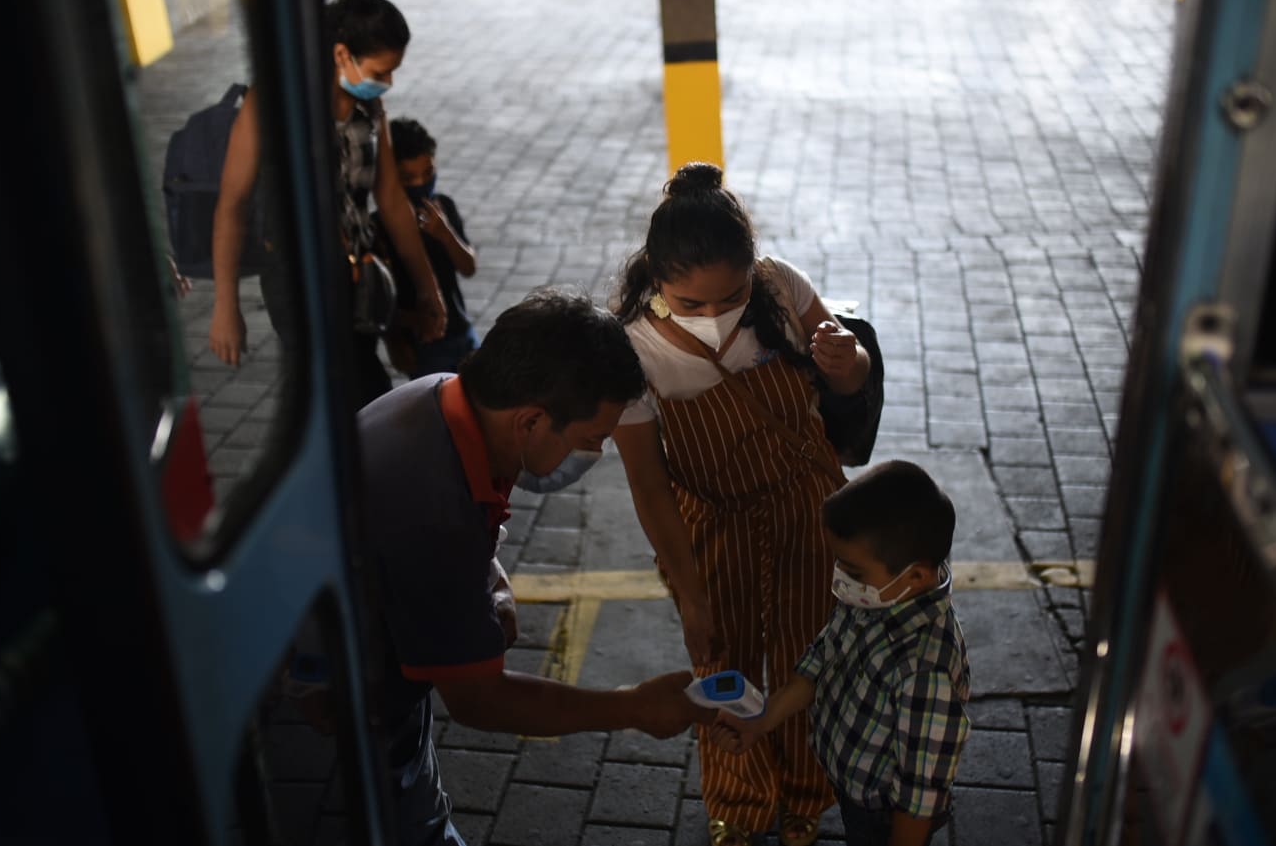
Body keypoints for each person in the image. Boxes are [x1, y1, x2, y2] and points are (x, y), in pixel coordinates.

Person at [358, 288, 707, 846]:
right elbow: (479, 700)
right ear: (531, 422)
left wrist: (489, 576)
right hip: (355, 696)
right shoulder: (431, 506)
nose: (596, 453)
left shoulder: (444, 398)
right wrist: (632, 708)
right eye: (592, 439)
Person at [610, 162, 872, 846]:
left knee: (805, 656)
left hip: (806, 507)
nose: (713, 316)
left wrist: (848, 362)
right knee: (723, 664)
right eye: (689, 304)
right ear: (656, 278)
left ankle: (805, 796)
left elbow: (850, 373)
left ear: (754, 270)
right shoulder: (630, 346)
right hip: (708, 523)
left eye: (729, 296)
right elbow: (649, 484)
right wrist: (691, 596)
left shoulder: (781, 288)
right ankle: (739, 803)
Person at [710, 460, 972, 846]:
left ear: (916, 576)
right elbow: (821, 659)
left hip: (884, 816)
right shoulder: (878, 598)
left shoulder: (924, 672)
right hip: (851, 790)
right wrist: (762, 720)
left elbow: (920, 797)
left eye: (853, 571)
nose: (840, 577)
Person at [208, 0, 445, 408]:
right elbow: (232, 204)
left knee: (358, 392)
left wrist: (428, 287)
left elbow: (390, 201)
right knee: (357, 393)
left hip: (361, 279)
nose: (388, 84)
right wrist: (226, 305)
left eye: (393, 72)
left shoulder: (370, 110)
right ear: (342, 56)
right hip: (298, 282)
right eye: (380, 73)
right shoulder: (274, 103)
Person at [377, 117, 479, 378]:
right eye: (408, 178)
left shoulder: (443, 207)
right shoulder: (379, 227)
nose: (421, 183)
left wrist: (446, 234)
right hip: (424, 346)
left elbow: (468, 267)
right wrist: (397, 339)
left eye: (428, 172)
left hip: (462, 332)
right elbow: (382, 302)